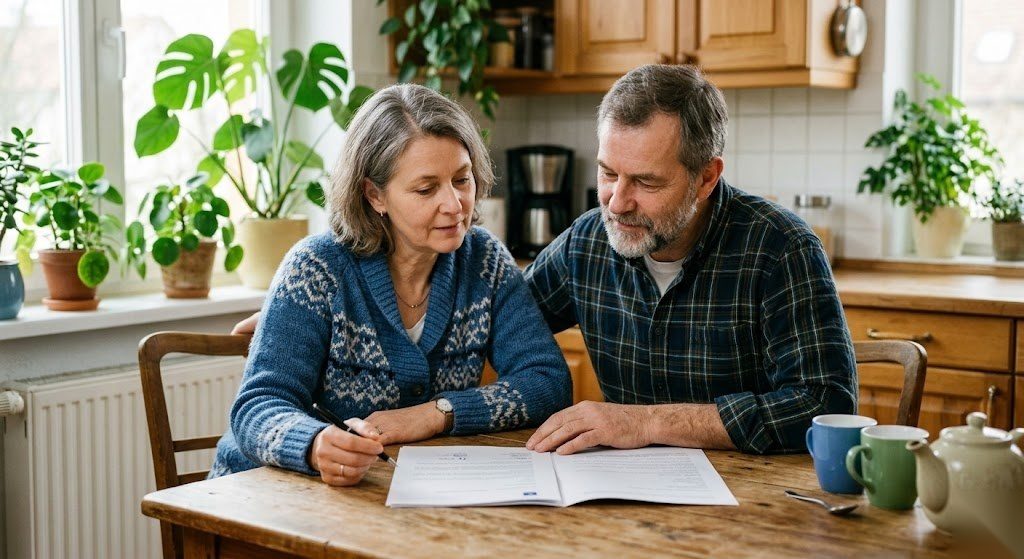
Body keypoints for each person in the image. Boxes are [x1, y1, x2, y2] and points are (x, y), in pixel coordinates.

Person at [234, 64, 856, 457]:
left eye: (645, 181)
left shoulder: (780, 249)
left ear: (706, 178)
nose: (617, 201)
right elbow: (508, 318)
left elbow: (828, 406)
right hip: (305, 493)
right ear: (376, 194)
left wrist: (644, 423)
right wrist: (300, 320)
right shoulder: (589, 242)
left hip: (749, 501)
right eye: (608, 173)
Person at [210, 83, 572, 487]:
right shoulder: (316, 269)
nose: (454, 205)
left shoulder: (483, 261)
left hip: (393, 492)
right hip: (262, 493)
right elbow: (257, 408)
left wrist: (435, 414)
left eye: (462, 179)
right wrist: (313, 444)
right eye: (426, 188)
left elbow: (547, 381)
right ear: (374, 195)